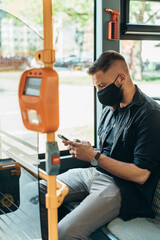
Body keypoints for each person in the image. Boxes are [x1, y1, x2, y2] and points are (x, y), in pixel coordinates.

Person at [40, 50, 160, 240]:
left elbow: (141, 175)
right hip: (94, 173)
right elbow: (106, 154)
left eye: (103, 86)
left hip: (121, 187)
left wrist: (94, 157)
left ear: (121, 78)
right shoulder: (110, 107)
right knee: (39, 189)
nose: (100, 93)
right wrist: (88, 150)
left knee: (64, 232)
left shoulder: (150, 114)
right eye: (97, 87)